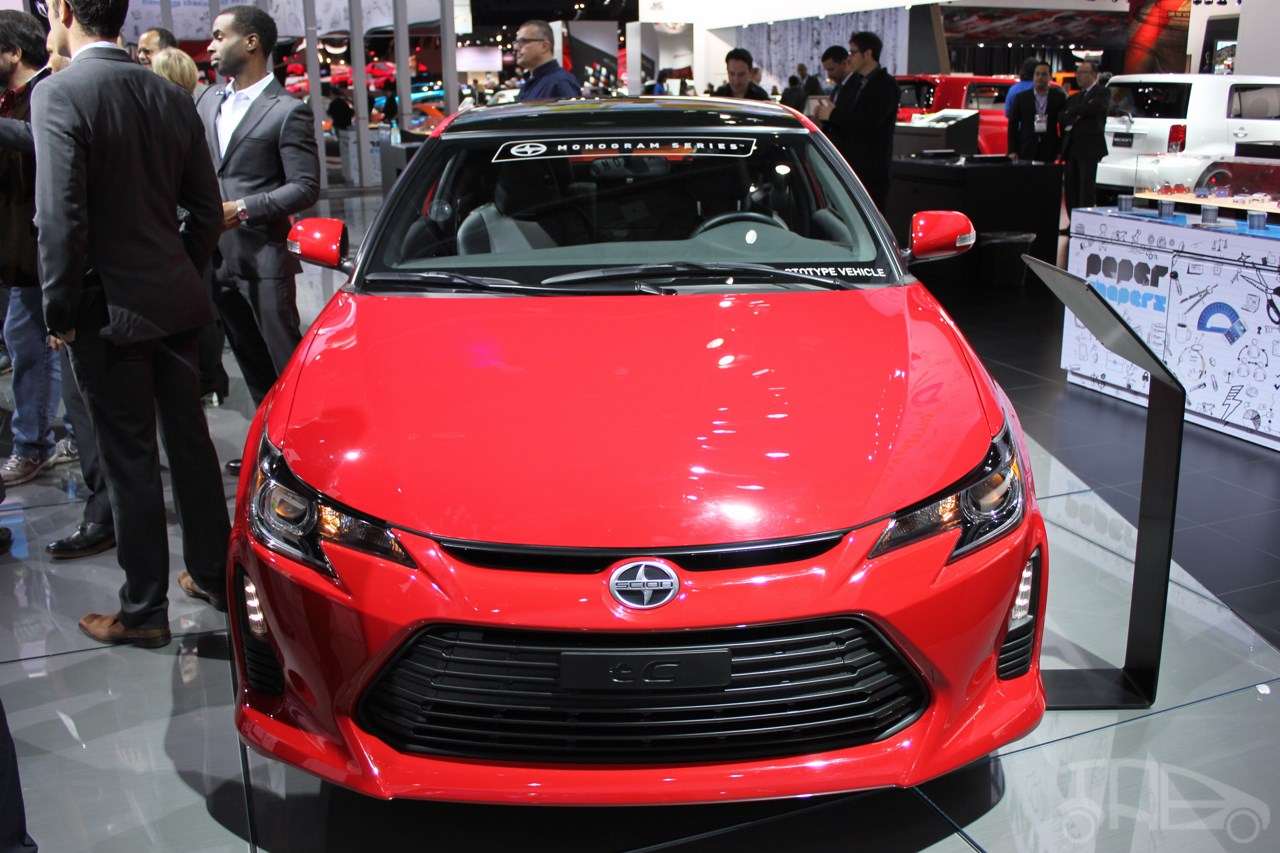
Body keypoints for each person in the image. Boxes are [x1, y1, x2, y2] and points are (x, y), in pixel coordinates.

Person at [32, 0, 231, 647]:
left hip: (104, 307)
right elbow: (205, 208)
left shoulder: (60, 94)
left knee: (129, 461)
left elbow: (60, 218)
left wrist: (59, 310)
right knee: (192, 449)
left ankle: (143, 610)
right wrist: (179, 268)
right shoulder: (169, 93)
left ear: (64, 11)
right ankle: (212, 574)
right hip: (173, 299)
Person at [0, 21, 114, 560]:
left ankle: (48, 455)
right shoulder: (32, 95)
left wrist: (58, 296)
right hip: (43, 264)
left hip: (63, 270)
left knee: (82, 393)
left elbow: (59, 204)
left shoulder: (55, 91)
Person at [199, 5, 320, 474]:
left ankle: (303, 459)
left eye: (218, 36)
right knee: (248, 363)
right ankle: (267, 451)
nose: (210, 46)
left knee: (285, 362)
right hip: (216, 256)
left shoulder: (288, 110)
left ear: (251, 42)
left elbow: (305, 186)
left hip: (264, 256)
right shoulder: (208, 101)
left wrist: (244, 207)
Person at [0, 10, 65, 488]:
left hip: (44, 251)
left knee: (32, 348)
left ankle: (34, 444)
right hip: (18, 251)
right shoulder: (13, 99)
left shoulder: (49, 91)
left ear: (14, 53)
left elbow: (41, 142)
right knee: (31, 347)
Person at [822, 32, 898, 210]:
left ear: (868, 54)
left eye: (853, 52)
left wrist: (833, 115)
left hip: (872, 171)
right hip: (851, 167)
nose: (849, 58)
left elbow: (869, 122)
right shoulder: (858, 83)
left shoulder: (885, 85)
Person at [1060, 60, 1110, 211]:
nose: (1079, 76)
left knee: (1085, 188)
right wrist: (1075, 112)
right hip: (1072, 147)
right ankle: (1072, 221)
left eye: (1083, 72)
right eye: (1078, 73)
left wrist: (1074, 112)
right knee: (1070, 187)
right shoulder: (1075, 98)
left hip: (1089, 148)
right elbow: (1063, 116)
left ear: (1094, 75)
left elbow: (1093, 108)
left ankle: (1084, 222)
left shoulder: (1102, 92)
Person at [1007, 60, 1066, 163]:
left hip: (1050, 146)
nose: (1040, 77)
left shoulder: (1059, 97)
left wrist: (1061, 149)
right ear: (1033, 76)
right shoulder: (1021, 98)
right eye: (1037, 74)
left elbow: (1063, 125)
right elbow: (1013, 124)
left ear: (1050, 77)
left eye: (1044, 74)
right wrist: (1012, 150)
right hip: (1026, 146)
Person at [514, 19, 579, 101]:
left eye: (523, 42)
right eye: (516, 42)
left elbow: (572, 113)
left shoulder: (560, 81)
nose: (516, 47)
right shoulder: (531, 81)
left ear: (544, 46)